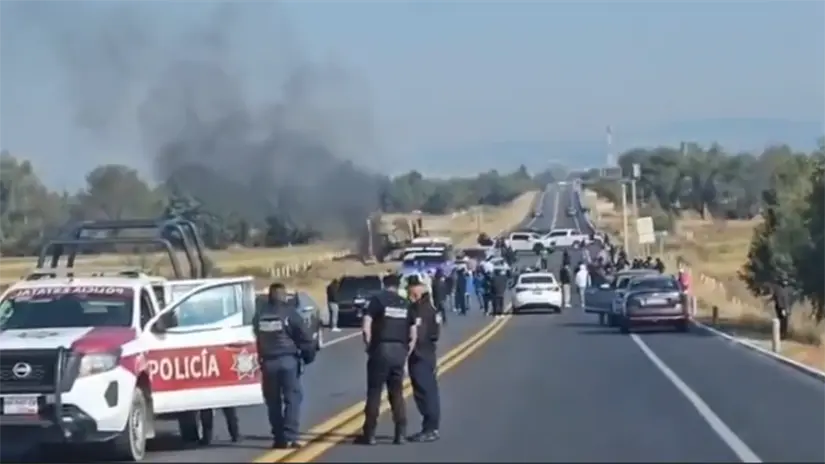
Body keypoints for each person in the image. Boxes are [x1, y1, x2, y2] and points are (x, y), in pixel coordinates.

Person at [357, 274, 419, 445]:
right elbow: (413, 334)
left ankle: (370, 433)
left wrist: (369, 347)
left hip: (381, 348)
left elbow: (366, 326)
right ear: (398, 286)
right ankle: (400, 433)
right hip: (399, 350)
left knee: (374, 392)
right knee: (396, 392)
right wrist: (406, 353)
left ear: (384, 284)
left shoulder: (377, 300)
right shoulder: (405, 304)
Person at [254, 283, 317, 449]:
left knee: (273, 402)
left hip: (268, 362)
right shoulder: (290, 313)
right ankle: (290, 435)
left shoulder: (260, 315)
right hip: (288, 360)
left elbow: (256, 336)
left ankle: (279, 437)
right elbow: (305, 337)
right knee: (292, 399)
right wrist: (308, 357)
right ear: (283, 296)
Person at [406, 283, 442, 442]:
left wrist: (408, 350)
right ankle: (431, 427)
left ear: (417, 295)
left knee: (425, 392)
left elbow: (418, 335)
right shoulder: (432, 309)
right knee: (428, 391)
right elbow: (435, 334)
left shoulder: (420, 311)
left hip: (420, 355)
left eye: (411, 294)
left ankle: (430, 428)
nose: (409, 298)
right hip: (429, 354)